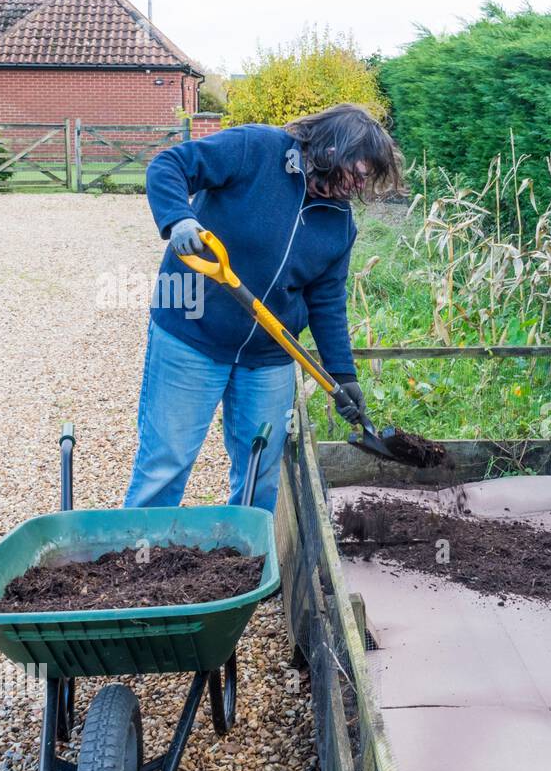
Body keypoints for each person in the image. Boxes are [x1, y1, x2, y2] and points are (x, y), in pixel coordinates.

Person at [124, 103, 403, 512]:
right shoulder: (255, 148)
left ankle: (246, 565)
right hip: (192, 335)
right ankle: (135, 557)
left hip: (269, 356)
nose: (359, 187)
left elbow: (326, 300)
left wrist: (344, 374)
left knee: (260, 474)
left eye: (366, 178)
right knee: (166, 464)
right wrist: (178, 218)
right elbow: (169, 165)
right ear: (330, 152)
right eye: (356, 173)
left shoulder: (340, 223)